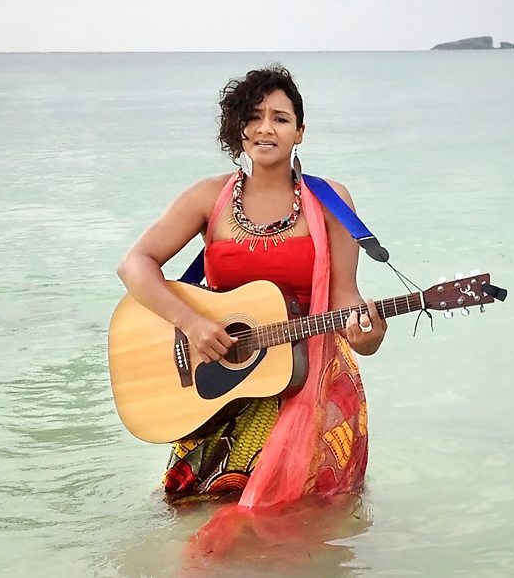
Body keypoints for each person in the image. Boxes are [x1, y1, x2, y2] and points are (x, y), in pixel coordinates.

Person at [116, 64, 386, 508]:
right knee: (193, 516)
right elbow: (134, 264)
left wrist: (369, 338)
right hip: (220, 381)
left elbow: (345, 300)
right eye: (254, 117)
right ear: (238, 129)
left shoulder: (330, 201)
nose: (266, 128)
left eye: (280, 118)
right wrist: (191, 323)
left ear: (300, 132)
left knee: (308, 524)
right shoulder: (209, 197)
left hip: (309, 380)